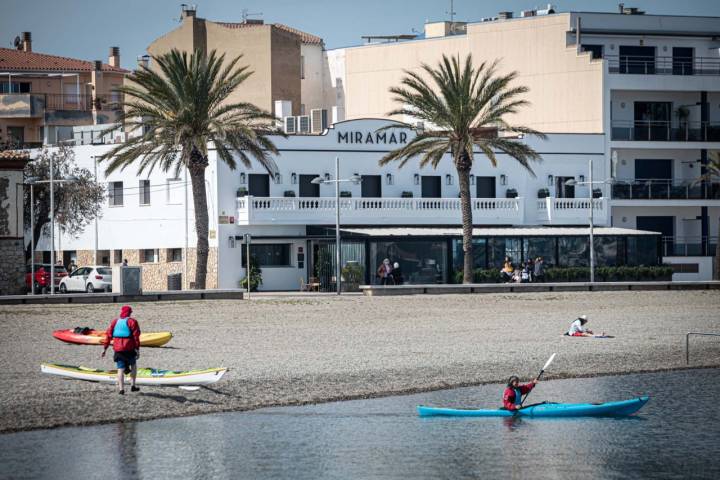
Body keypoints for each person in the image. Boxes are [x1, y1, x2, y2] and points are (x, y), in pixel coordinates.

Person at [102, 305, 141, 394]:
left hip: (118, 349)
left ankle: (121, 389)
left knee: (120, 369)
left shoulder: (115, 322)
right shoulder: (132, 321)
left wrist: (105, 348)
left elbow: (108, 335)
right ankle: (133, 385)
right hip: (129, 348)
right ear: (129, 313)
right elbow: (136, 337)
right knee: (133, 365)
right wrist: (137, 349)